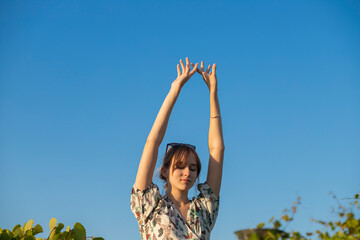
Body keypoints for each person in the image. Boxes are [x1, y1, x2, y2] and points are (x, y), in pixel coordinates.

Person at [130, 57, 225, 240]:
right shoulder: (149, 206)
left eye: (193, 167)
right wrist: (175, 91)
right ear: (164, 170)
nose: (187, 172)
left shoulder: (205, 209)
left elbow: (217, 150)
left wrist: (213, 94)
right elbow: (152, 142)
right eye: (179, 166)